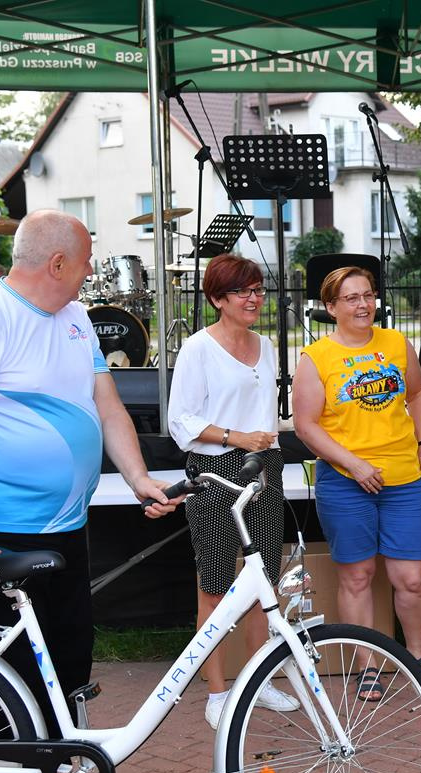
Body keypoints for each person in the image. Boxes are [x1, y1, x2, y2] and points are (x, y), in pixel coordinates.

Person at [0, 209, 180, 773]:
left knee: (70, 661)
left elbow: (107, 406)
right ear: (58, 263)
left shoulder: (76, 316)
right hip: (6, 530)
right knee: (20, 675)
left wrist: (138, 477)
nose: (91, 274)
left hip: (68, 526)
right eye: (86, 263)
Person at [292, 266, 421, 698]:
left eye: (368, 295)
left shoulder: (396, 344)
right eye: (351, 298)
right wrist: (355, 465)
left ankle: (415, 654)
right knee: (357, 576)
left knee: (411, 578)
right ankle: (367, 665)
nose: (363, 305)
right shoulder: (316, 358)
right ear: (331, 307)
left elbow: (417, 394)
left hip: (403, 480)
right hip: (346, 483)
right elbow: (305, 425)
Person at [167, 253, 299, 729]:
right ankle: (217, 692)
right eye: (243, 291)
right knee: (215, 583)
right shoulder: (198, 348)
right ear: (217, 299)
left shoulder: (266, 344)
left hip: (264, 468)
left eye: (258, 289)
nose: (254, 298)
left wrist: (260, 445)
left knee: (263, 581)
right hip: (216, 469)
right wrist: (236, 437)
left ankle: (258, 683)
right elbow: (180, 420)